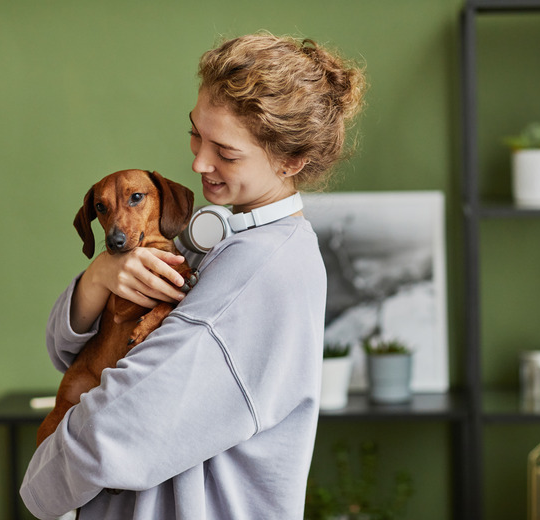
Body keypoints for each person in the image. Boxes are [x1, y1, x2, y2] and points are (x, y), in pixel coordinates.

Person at [20, 32, 365, 520]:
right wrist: (99, 277)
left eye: (225, 151)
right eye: (195, 133)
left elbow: (126, 421)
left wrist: (40, 484)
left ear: (291, 160)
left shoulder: (257, 269)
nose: (199, 161)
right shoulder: (221, 241)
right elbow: (70, 351)